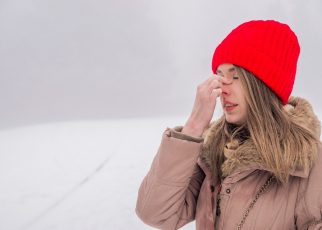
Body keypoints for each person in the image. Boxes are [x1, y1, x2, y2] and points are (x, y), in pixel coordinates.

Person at [135, 20, 322, 230]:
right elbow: (155, 214)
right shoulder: (212, 152)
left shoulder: (310, 163)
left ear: (263, 86)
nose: (223, 88)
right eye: (220, 76)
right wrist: (194, 127)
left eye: (235, 76)